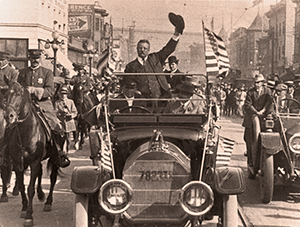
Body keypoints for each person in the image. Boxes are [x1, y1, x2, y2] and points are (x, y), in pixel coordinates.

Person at [18, 49, 70, 167]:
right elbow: (17, 89)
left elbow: (50, 91)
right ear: (29, 59)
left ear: (40, 58)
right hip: (26, 105)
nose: (34, 61)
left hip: (43, 105)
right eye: (32, 58)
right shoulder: (22, 72)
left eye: (36, 58)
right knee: (10, 124)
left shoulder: (47, 72)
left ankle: (58, 152)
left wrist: (34, 90)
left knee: (55, 126)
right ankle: (7, 152)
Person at [124, 13, 184, 100]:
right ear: (137, 49)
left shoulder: (155, 58)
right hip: (143, 101)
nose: (142, 50)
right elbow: (129, 83)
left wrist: (176, 34)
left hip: (162, 98)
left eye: (145, 48)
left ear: (148, 50)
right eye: (140, 48)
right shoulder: (131, 66)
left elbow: (168, 49)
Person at [242, 74, 273, 173]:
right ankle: (251, 164)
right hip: (251, 120)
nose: (256, 84)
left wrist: (264, 111)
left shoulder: (267, 91)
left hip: (264, 119)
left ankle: (266, 163)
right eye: (255, 82)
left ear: (262, 83)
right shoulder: (250, 92)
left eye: (258, 82)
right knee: (250, 141)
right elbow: (248, 105)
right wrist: (256, 113)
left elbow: (269, 102)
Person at [55, 85, 78, 152]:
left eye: (65, 94)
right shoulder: (57, 103)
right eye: (62, 94)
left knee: (68, 139)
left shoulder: (71, 102)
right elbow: (55, 112)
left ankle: (67, 150)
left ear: (67, 94)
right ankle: (62, 151)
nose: (63, 95)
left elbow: (75, 112)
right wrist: (61, 113)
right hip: (61, 123)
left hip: (69, 122)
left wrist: (71, 115)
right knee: (61, 139)